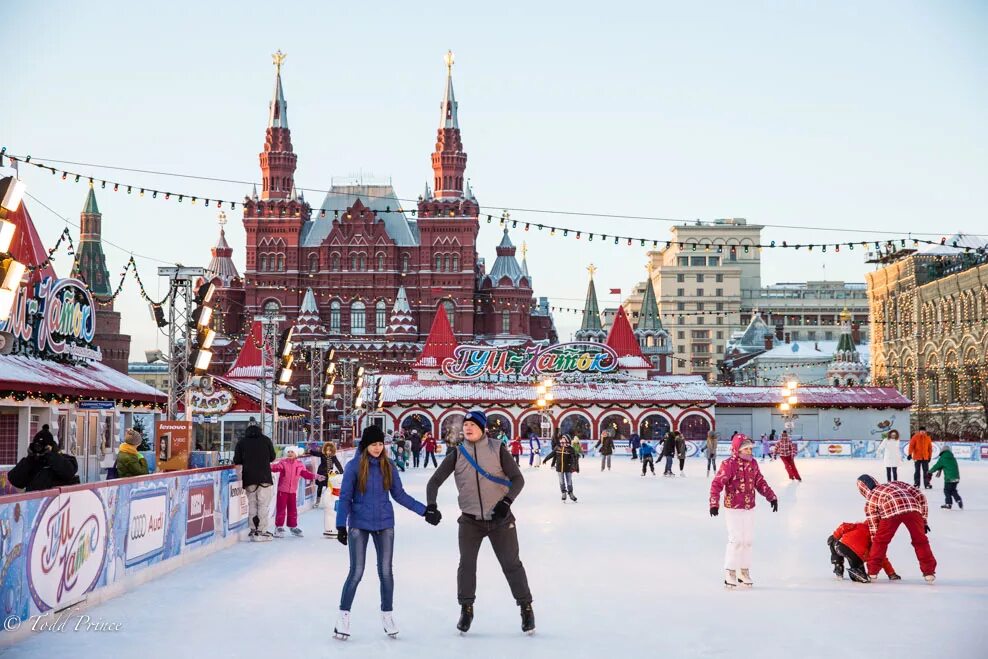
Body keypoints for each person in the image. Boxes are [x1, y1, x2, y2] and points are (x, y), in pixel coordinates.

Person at [425, 410, 535, 635]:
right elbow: (434, 481)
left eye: (473, 425)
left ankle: (525, 607)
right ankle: (466, 609)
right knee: (467, 565)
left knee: (511, 564)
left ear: (483, 428)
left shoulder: (497, 448)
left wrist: (506, 502)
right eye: (465, 425)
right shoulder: (457, 453)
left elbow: (518, 479)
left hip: (500, 519)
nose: (467, 428)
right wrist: (432, 505)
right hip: (470, 520)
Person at [334, 426, 435, 640]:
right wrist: (341, 525)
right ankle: (343, 617)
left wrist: (424, 511)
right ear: (365, 445)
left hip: (385, 523)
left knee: (386, 572)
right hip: (359, 524)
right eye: (373, 444)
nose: (378, 448)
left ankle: (387, 615)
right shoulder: (353, 467)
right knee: (356, 572)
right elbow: (344, 498)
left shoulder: (388, 466)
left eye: (380, 444)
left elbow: (400, 495)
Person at [709, 434, 778, 588]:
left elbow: (759, 481)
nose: (749, 451)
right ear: (737, 449)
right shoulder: (729, 464)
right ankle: (730, 571)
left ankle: (743, 571)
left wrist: (771, 497)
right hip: (733, 506)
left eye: (750, 448)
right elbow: (717, 484)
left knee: (747, 541)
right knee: (736, 540)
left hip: (749, 507)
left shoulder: (753, 463)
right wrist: (714, 503)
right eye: (745, 449)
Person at [856, 474, 936, 583]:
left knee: (880, 542)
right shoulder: (896, 483)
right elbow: (919, 495)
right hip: (913, 508)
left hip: (890, 512)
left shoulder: (871, 499)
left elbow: (874, 526)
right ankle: (929, 573)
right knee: (920, 541)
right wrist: (923, 520)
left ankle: (872, 572)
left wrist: (875, 540)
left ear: (863, 490)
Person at [233, 423, 277, 542]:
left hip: (249, 478)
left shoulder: (242, 442)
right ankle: (261, 530)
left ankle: (253, 529)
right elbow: (273, 457)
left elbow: (237, 460)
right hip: (264, 478)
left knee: (252, 504)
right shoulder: (266, 440)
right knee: (263, 505)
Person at [271, 446, 323, 537]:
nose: (290, 453)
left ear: (296, 454)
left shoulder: (299, 464)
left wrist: (316, 476)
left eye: (292, 452)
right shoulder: (283, 463)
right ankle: (278, 527)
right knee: (281, 509)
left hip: (292, 491)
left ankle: (293, 526)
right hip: (282, 490)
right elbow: (275, 468)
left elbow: (305, 474)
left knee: (293, 510)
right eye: (288, 452)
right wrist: (266, 465)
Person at [828, 521, 900, 583]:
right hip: (857, 556)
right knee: (858, 569)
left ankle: (838, 565)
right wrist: (891, 573)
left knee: (832, 541)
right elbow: (881, 557)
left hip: (842, 547)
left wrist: (835, 536)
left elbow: (843, 526)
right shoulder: (876, 539)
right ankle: (858, 573)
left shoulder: (859, 526)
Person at [9, 440, 80, 492]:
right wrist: (30, 458)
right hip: (34, 506)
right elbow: (15, 481)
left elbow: (68, 472)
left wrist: (51, 455)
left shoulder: (66, 460)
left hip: (56, 504)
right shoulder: (34, 463)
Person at [545, 434, 579, 502]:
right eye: (561, 440)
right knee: (561, 481)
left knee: (569, 481)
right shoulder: (558, 447)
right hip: (559, 468)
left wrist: (574, 466)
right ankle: (563, 492)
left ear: (567, 441)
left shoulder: (570, 449)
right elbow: (552, 454)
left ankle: (570, 493)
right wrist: (545, 459)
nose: (562, 441)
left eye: (564, 439)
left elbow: (574, 459)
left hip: (568, 468)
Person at [316, 442, 344, 507]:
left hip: (329, 474)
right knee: (319, 487)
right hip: (321, 473)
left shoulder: (333, 457)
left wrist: (341, 471)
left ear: (332, 451)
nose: (328, 452)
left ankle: (327, 501)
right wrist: (309, 451)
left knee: (328, 488)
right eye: (327, 450)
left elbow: (338, 464)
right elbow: (315, 453)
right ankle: (317, 501)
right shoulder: (322, 454)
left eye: (330, 450)